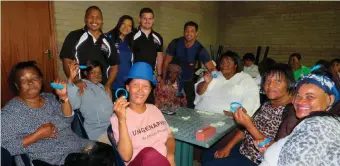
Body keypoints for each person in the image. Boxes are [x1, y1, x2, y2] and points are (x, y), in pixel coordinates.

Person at [1, 61, 114, 166]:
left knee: (108, 152)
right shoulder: (11, 112)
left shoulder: (49, 98)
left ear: (41, 80)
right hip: (52, 158)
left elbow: (67, 120)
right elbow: (4, 148)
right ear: (17, 85)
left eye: (34, 78)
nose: (30, 83)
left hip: (76, 145)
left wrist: (63, 96)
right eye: (24, 80)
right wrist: (37, 135)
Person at [201, 63, 295, 166]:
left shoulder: (292, 112)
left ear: (289, 83)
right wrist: (228, 147)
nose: (270, 85)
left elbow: (277, 152)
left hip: (258, 160)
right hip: (243, 149)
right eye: (268, 81)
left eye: (278, 81)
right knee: (207, 155)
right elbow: (244, 131)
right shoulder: (268, 104)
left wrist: (249, 125)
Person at [258, 65, 340, 166]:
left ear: (330, 100)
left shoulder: (319, 126)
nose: (300, 101)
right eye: (297, 95)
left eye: (310, 96)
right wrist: (273, 149)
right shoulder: (311, 121)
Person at [110, 62, 176, 166]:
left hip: (164, 162)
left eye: (145, 86)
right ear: (128, 87)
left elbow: (170, 137)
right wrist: (122, 120)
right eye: (135, 85)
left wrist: (170, 155)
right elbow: (126, 157)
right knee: (149, 153)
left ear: (150, 90)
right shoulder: (118, 117)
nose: (140, 90)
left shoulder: (154, 109)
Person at [59, 6, 119, 98]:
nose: (94, 20)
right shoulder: (74, 36)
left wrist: (108, 85)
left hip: (101, 89)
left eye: (98, 17)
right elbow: (67, 61)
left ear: (102, 21)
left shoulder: (108, 41)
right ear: (85, 19)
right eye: (91, 17)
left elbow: (114, 66)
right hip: (80, 87)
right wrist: (76, 81)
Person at [162, 21, 215, 108]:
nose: (189, 33)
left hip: (187, 81)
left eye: (192, 31)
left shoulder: (200, 49)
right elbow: (166, 62)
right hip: (172, 80)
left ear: (196, 33)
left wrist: (209, 77)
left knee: (189, 108)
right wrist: (163, 79)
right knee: (167, 106)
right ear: (184, 32)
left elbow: (212, 68)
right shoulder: (175, 43)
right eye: (187, 31)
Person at [194, 51, 260, 116]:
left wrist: (237, 114)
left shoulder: (245, 79)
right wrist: (205, 82)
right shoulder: (214, 74)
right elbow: (199, 92)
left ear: (236, 65)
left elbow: (251, 99)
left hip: (227, 118)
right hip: (201, 112)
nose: (224, 65)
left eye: (228, 63)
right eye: (222, 63)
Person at [67, 60, 113, 142]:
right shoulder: (82, 86)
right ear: (86, 73)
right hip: (98, 134)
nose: (97, 75)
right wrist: (71, 79)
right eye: (93, 72)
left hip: (112, 129)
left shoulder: (102, 87)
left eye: (99, 72)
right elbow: (73, 105)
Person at [132, 7, 163, 104]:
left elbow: (159, 56)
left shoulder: (158, 37)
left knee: (149, 101)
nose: (147, 21)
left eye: (150, 19)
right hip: (135, 75)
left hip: (151, 75)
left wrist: (160, 74)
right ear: (139, 19)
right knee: (135, 101)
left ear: (153, 20)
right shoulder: (131, 35)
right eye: (145, 18)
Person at [106, 15, 135, 101]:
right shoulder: (109, 39)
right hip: (111, 84)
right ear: (119, 24)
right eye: (124, 24)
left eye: (129, 25)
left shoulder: (130, 43)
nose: (126, 27)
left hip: (126, 84)